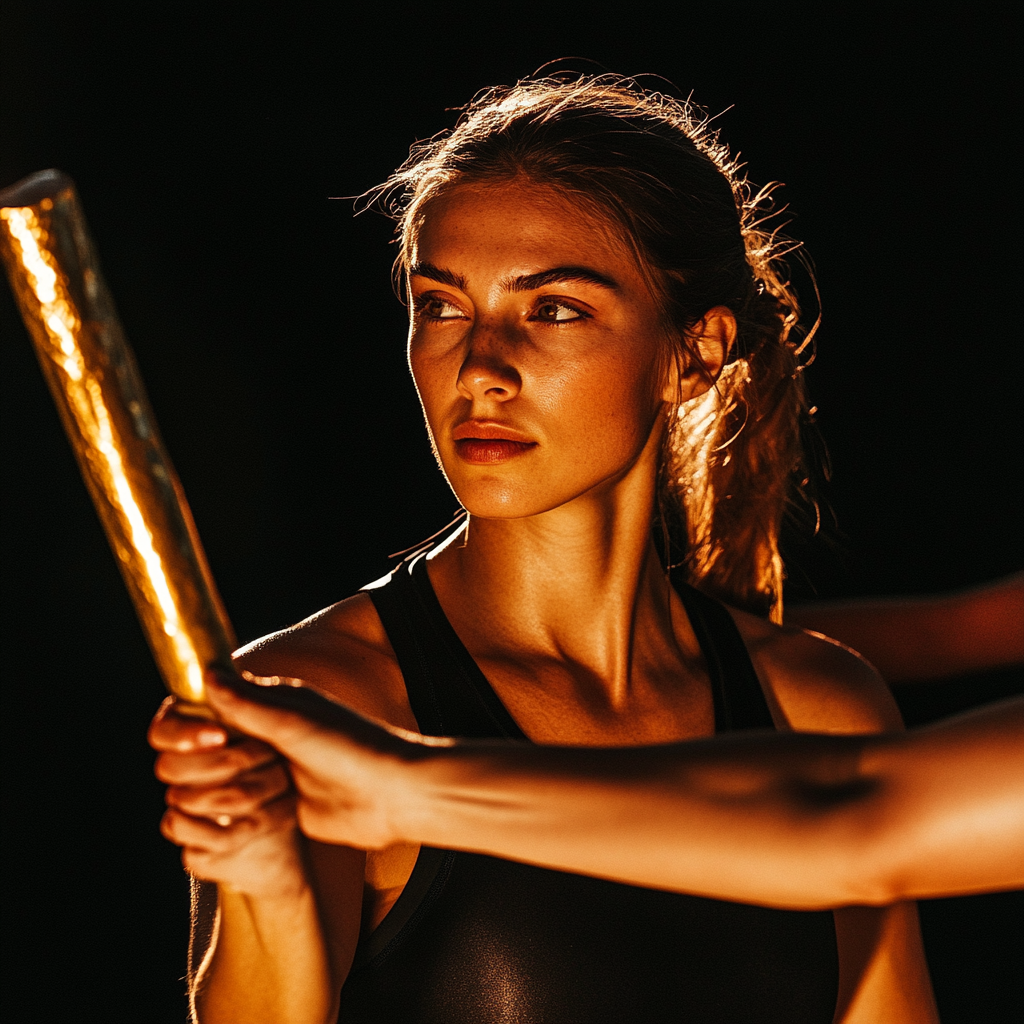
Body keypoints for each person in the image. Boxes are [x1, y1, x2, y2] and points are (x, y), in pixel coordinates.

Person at [151, 74, 940, 1023]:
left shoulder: (819, 710)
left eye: (553, 309)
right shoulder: (322, 706)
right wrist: (263, 885)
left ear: (694, 350)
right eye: (442, 306)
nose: (479, 368)